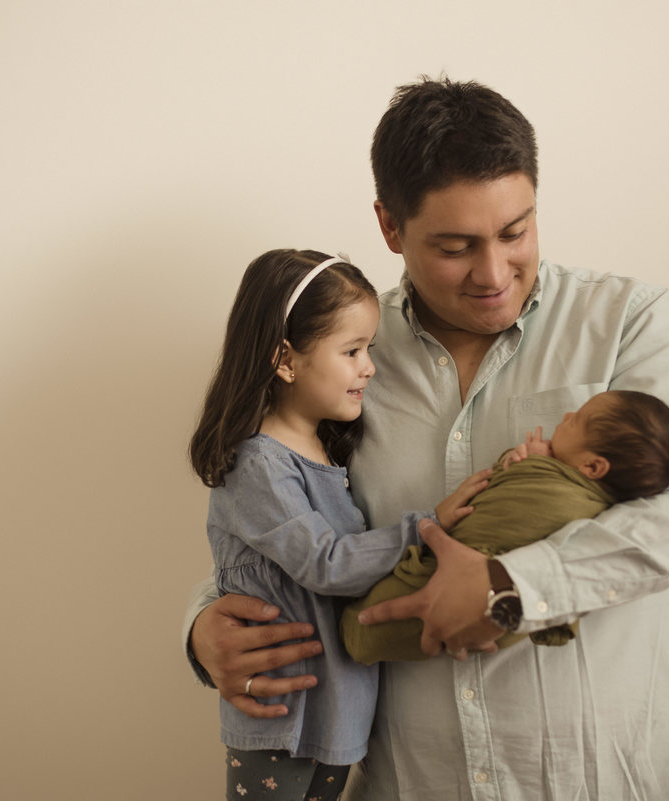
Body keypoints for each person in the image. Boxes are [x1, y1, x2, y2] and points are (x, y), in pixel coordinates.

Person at [184, 76, 669, 800]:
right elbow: (276, 507)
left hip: (609, 781)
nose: (493, 273)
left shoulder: (628, 325)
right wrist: (205, 625)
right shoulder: (341, 358)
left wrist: (512, 588)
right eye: (455, 246)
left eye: (515, 232)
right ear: (390, 227)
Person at [188, 248, 490, 801]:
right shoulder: (259, 464)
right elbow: (327, 564)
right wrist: (429, 526)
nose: (369, 366)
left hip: (338, 718)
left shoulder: (326, 453)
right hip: (283, 720)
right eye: (351, 350)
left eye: (368, 349)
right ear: (286, 360)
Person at [340, 389, 669, 664]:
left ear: (593, 467)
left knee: (375, 618)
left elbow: (503, 494)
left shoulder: (559, 490)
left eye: (578, 419)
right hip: (506, 621)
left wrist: (524, 465)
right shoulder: (595, 504)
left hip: (479, 594)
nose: (567, 415)